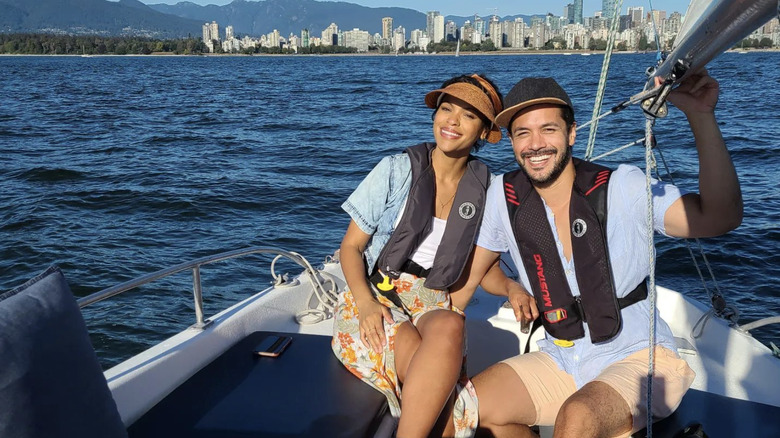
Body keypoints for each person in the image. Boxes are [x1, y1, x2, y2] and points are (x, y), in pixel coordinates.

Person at [452, 71, 742, 437]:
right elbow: (468, 281)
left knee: (577, 417)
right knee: (466, 409)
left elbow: (720, 217)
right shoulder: (502, 196)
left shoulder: (623, 188)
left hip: (641, 358)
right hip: (563, 356)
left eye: (548, 129)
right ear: (511, 141)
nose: (535, 144)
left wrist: (701, 116)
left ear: (572, 133)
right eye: (523, 133)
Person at [331, 73, 505, 438]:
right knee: (435, 386)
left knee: (451, 324)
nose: (452, 121)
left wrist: (512, 289)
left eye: (468, 115)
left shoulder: (488, 191)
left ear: (484, 132)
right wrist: (365, 303)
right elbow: (351, 247)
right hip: (377, 295)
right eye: (446, 109)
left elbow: (484, 266)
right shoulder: (395, 170)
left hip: (434, 300)